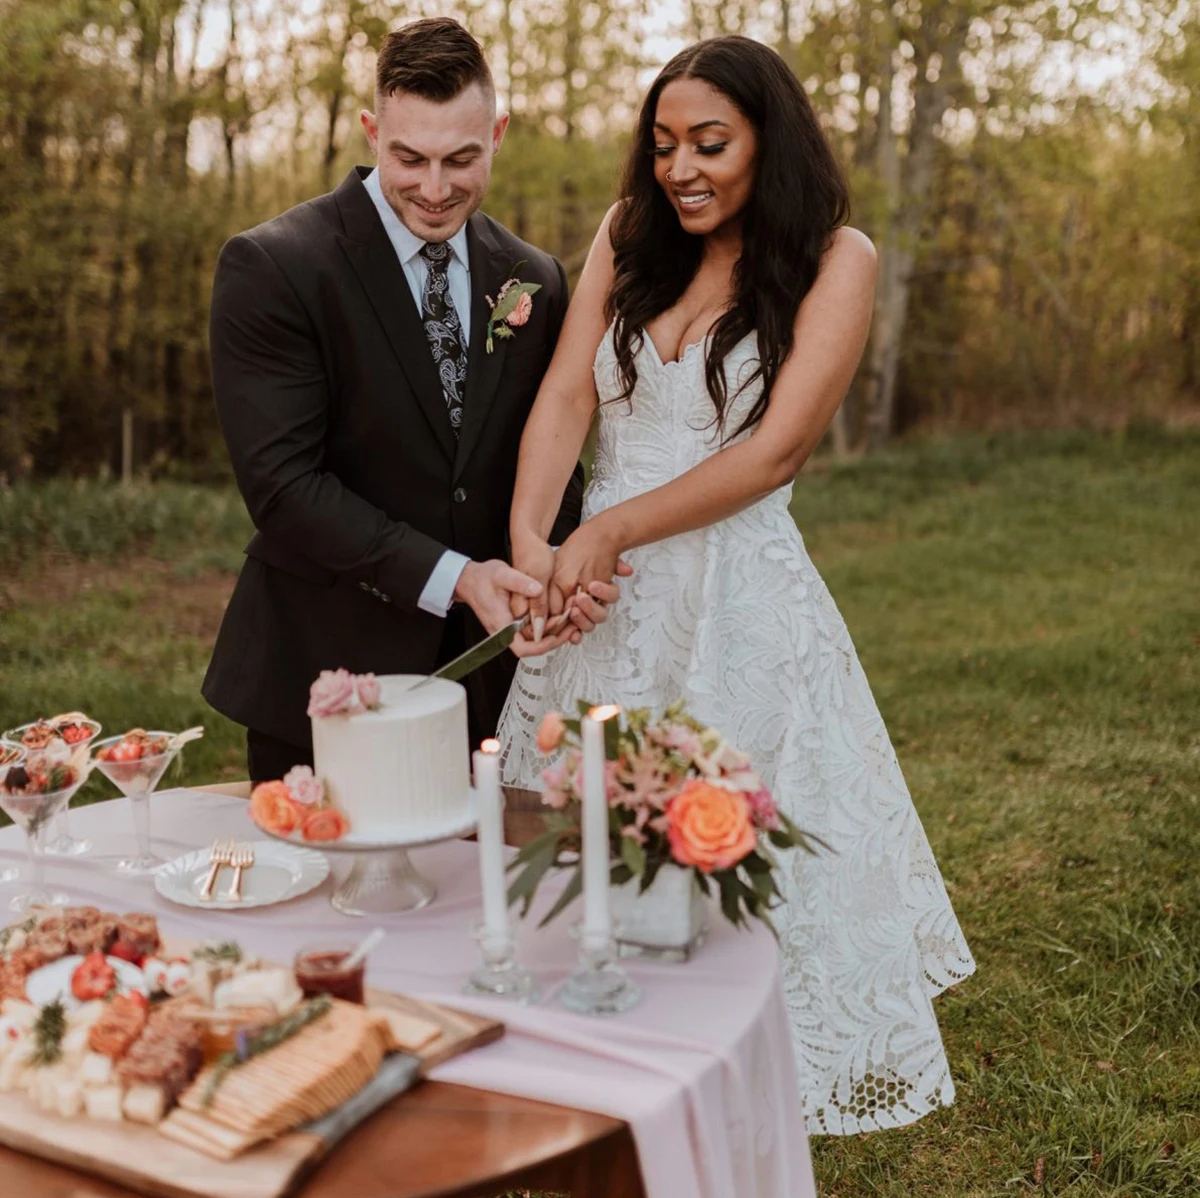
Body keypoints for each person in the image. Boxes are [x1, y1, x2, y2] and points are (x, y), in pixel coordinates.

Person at [497, 36, 976, 1134]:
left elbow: (775, 454)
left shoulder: (834, 258)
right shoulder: (629, 235)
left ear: (771, 138)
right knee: (576, 813)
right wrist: (536, 546)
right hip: (597, 599)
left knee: (730, 829)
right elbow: (568, 394)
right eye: (663, 145)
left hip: (736, 591)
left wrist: (608, 527)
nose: (681, 169)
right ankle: (593, 1039)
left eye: (710, 143)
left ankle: (743, 1054)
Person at [203, 18, 617, 782]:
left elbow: (549, 460)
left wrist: (558, 574)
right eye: (409, 158)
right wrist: (459, 577)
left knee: (490, 896)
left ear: (496, 132)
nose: (435, 189)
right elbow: (284, 489)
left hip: (496, 681)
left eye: (461, 159)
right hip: (329, 674)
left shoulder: (535, 277)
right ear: (371, 130)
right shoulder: (276, 267)